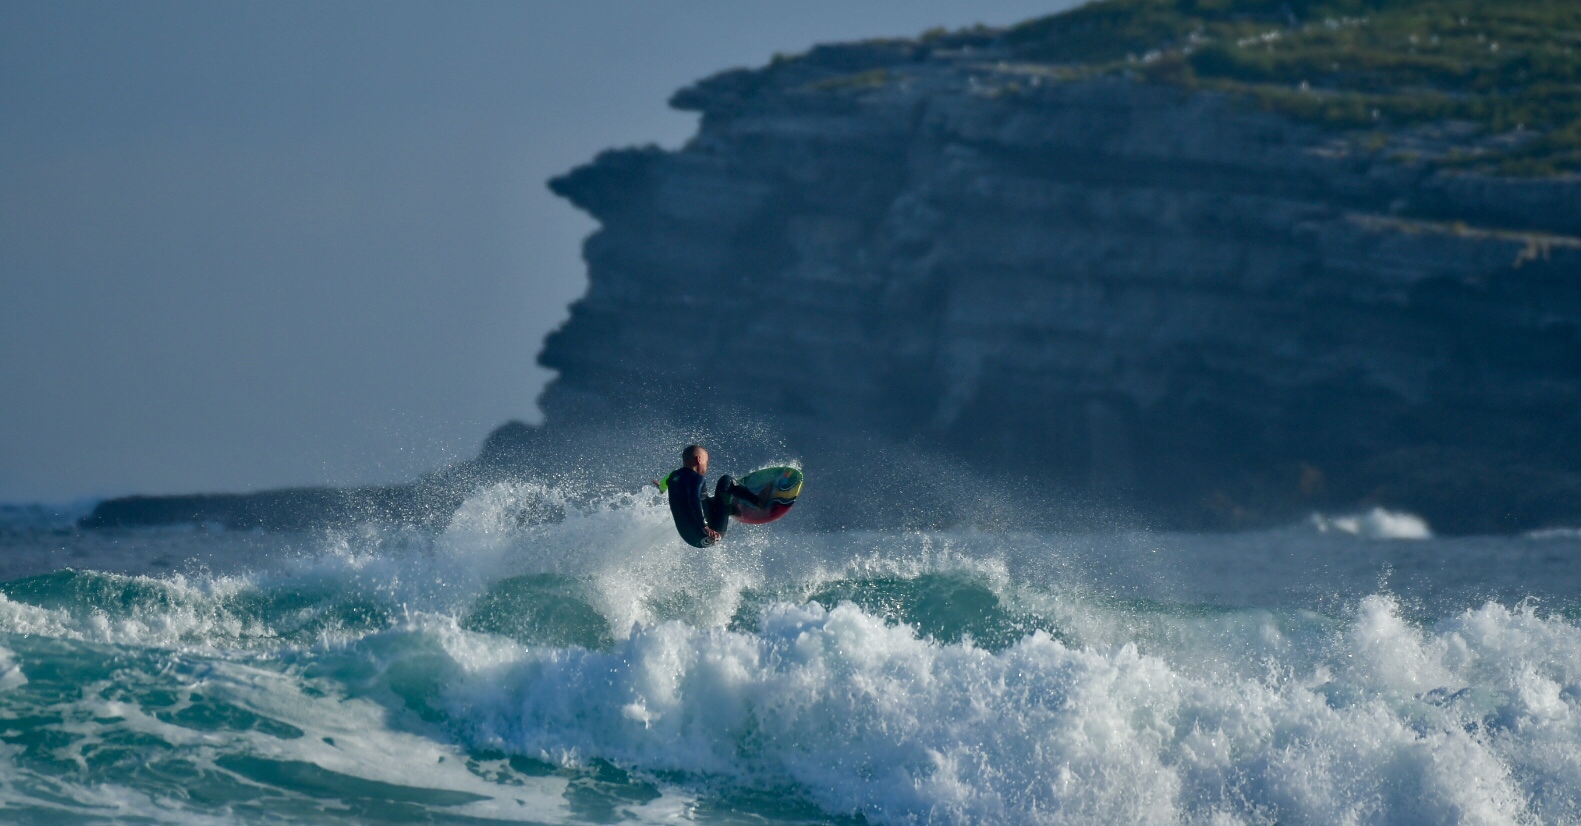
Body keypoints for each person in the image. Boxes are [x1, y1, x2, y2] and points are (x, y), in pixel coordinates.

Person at [651, 444, 767, 547]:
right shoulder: (696, 478)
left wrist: (660, 487)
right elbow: (693, 499)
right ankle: (758, 502)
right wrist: (704, 526)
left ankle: (731, 509)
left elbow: (663, 485)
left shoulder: (673, 476)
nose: (707, 467)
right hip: (711, 534)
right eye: (707, 463)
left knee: (707, 498)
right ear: (699, 459)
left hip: (690, 538)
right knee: (726, 480)